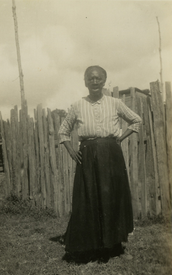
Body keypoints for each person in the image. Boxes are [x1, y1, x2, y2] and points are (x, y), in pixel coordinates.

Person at [58, 66, 142, 263]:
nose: (94, 82)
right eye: (90, 79)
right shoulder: (77, 105)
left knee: (113, 198)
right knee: (89, 199)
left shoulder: (115, 103)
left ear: (104, 81)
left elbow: (136, 121)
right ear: (85, 82)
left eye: (98, 78)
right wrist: (71, 151)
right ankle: (92, 248)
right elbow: (63, 132)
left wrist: (119, 139)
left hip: (111, 155)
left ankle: (117, 246)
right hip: (87, 156)